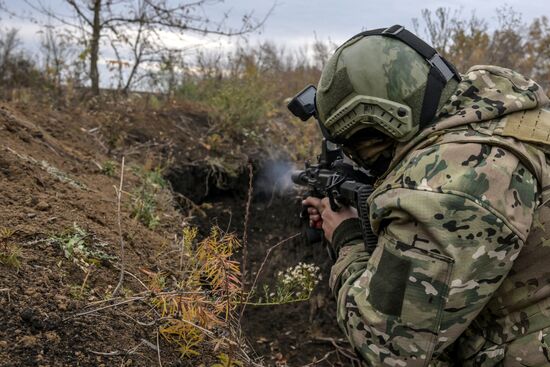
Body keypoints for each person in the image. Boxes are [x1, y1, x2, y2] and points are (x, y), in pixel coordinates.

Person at [302, 25, 550, 366]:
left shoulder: (449, 186)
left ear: (381, 123)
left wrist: (346, 238)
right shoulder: (510, 117)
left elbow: (387, 348)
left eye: (358, 147)